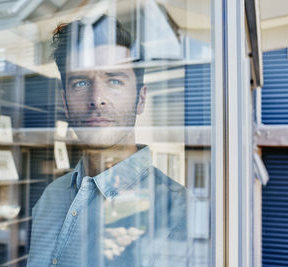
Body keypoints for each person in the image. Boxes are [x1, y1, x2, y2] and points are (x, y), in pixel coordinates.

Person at [27, 15, 190, 267]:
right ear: (65, 103)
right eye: (80, 82)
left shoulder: (182, 214)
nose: (97, 99)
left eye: (114, 80)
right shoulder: (50, 198)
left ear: (141, 99)